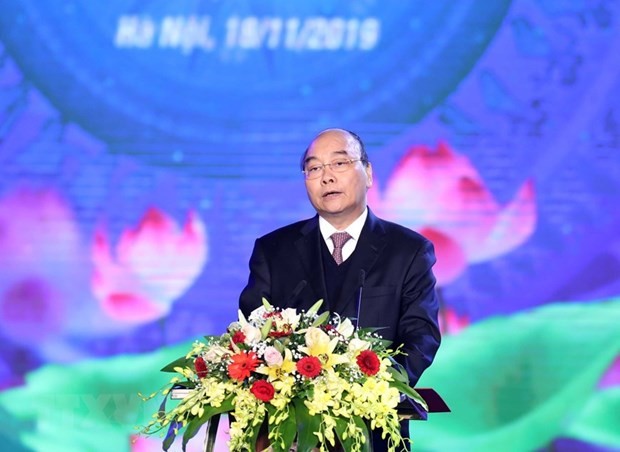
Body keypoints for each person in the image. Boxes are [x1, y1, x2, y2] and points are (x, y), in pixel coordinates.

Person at [239, 128, 441, 451]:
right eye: (314, 168)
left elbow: (422, 337)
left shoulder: (408, 252)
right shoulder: (274, 251)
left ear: (369, 173)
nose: (326, 177)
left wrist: (370, 388)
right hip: (288, 437)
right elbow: (250, 334)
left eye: (340, 163)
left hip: (375, 435)